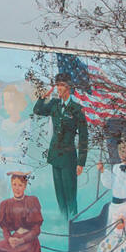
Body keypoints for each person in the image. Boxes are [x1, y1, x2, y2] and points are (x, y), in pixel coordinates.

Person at [33, 72, 88, 218]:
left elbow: (83, 136)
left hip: (69, 158)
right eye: (57, 85)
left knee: (70, 195)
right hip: (55, 156)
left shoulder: (77, 109)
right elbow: (37, 110)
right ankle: (64, 222)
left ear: (68, 87)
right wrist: (43, 97)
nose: (58, 88)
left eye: (61, 85)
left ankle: (73, 224)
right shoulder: (54, 104)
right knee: (60, 196)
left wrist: (81, 162)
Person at [96, 137, 126, 226]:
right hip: (114, 206)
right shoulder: (115, 167)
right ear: (118, 153)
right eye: (121, 151)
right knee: (112, 228)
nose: (124, 154)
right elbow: (109, 184)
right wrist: (103, 170)